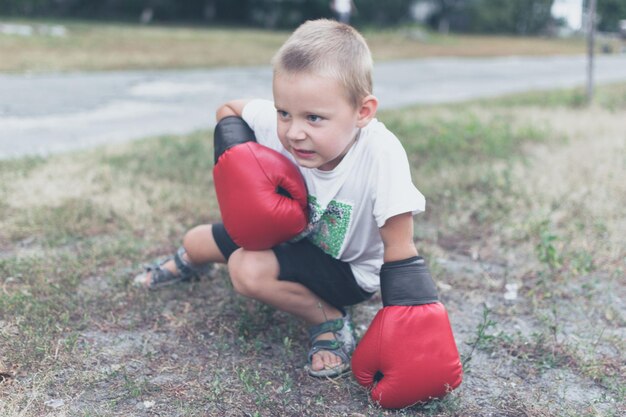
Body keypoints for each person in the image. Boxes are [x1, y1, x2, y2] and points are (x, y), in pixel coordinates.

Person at [134, 19, 425, 378]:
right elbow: (228, 110)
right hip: (285, 234)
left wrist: (412, 321)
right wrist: (244, 166)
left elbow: (400, 248)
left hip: (346, 270)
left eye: (314, 118)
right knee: (195, 240)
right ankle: (190, 265)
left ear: (362, 112)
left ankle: (329, 319)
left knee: (246, 269)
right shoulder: (281, 127)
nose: (293, 132)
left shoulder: (381, 154)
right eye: (283, 111)